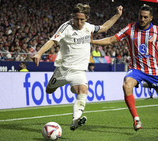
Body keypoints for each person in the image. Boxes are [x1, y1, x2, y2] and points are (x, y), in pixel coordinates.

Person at [91, 4, 158, 131]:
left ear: (151, 18)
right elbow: (111, 40)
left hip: (154, 71)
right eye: (140, 16)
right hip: (136, 69)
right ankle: (136, 119)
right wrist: (93, 41)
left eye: (145, 17)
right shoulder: (130, 28)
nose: (142, 19)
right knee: (126, 85)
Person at [31, 3, 123, 131]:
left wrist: (117, 15)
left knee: (83, 91)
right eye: (76, 19)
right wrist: (39, 53)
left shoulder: (88, 27)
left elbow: (104, 27)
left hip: (79, 70)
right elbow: (52, 41)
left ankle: (75, 120)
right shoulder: (65, 28)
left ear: (86, 19)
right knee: (49, 90)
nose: (79, 22)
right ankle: (68, 86)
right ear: (72, 17)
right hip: (63, 69)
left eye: (82, 19)